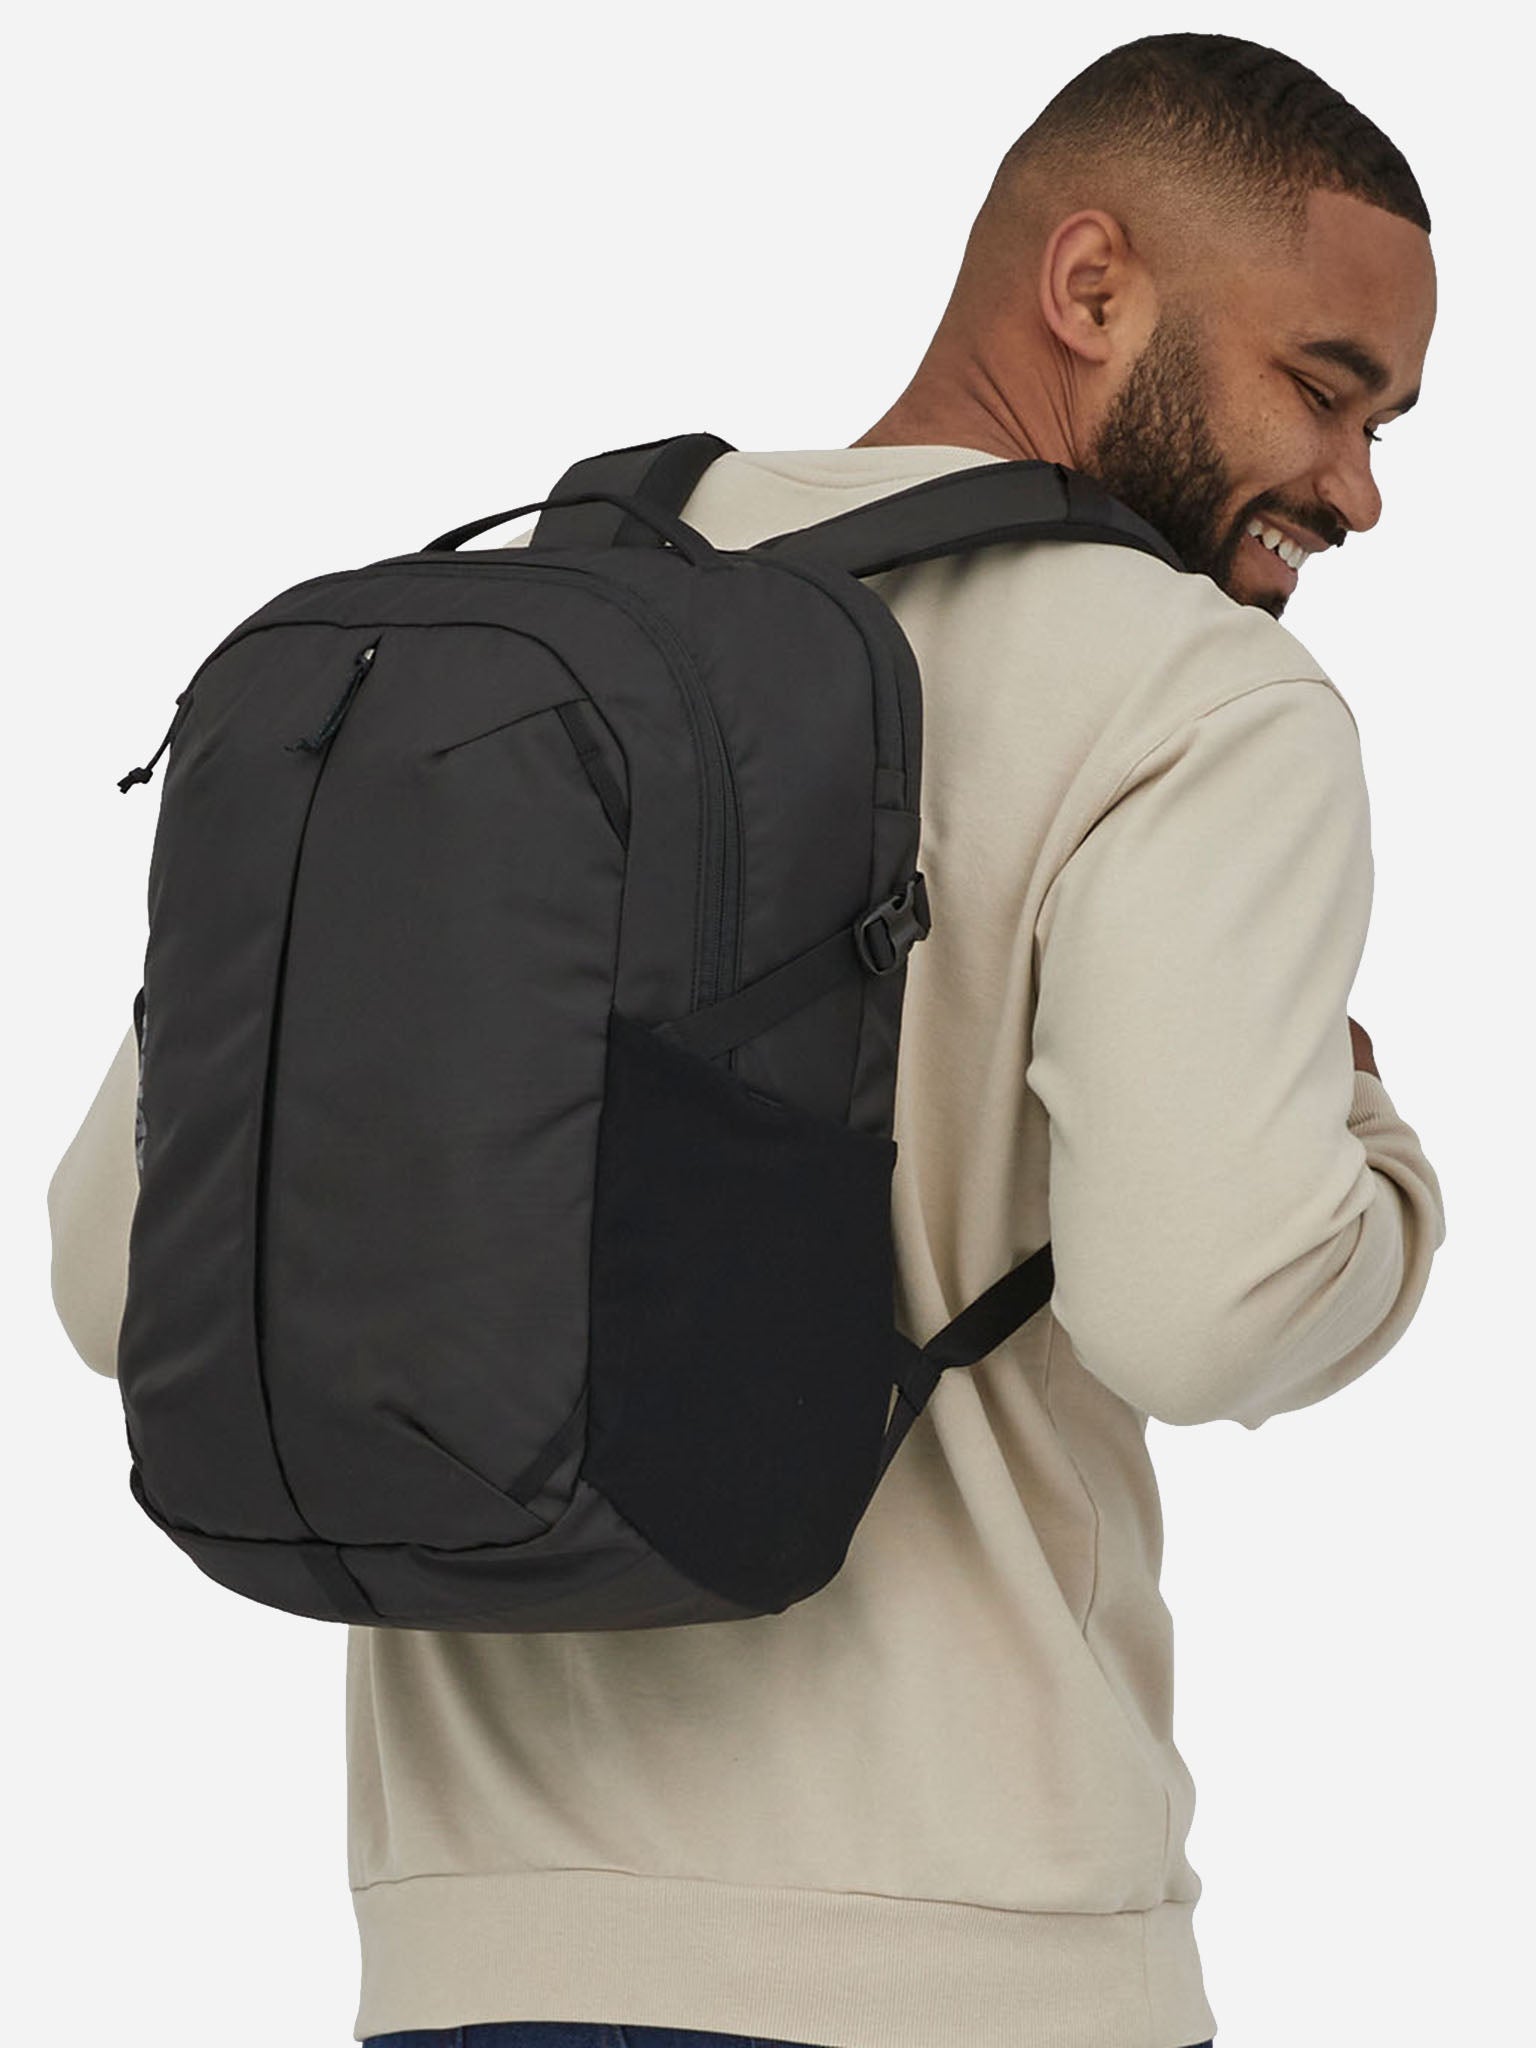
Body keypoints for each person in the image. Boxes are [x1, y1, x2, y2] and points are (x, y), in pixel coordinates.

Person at [46, 32, 1446, 2048]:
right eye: (1325, 387)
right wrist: (1379, 1161)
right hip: (971, 1968)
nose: (1359, 487)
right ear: (1091, 285)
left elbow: (119, 1279)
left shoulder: (512, 648)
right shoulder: (1197, 698)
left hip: (468, 1962)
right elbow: (1207, 1316)